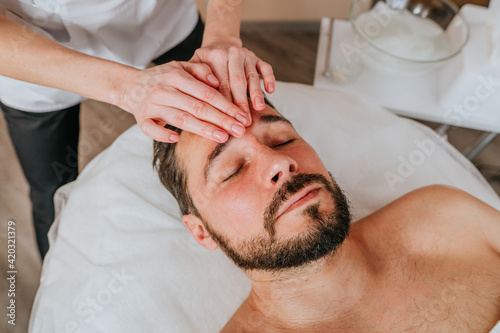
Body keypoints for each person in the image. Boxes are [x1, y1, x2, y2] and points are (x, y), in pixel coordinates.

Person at [153, 101, 500, 332]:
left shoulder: (445, 218)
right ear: (202, 233)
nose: (279, 163)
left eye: (281, 139)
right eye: (232, 170)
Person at [0, 0, 274, 259]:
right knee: (51, 189)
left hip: (159, 18)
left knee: (238, 113)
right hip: (32, 54)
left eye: (280, 142)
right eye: (234, 170)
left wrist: (222, 37)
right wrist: (126, 88)